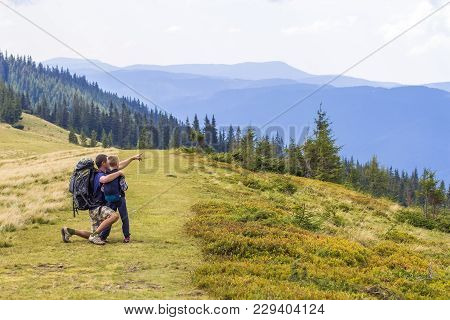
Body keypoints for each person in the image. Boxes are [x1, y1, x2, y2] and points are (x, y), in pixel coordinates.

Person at [61, 153, 142, 245]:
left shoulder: (103, 172)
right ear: (103, 163)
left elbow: (117, 165)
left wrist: (132, 158)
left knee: (95, 235)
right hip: (97, 207)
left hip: (93, 208)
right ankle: (94, 236)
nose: (109, 162)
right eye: (108, 160)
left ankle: (70, 231)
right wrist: (119, 173)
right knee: (114, 216)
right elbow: (104, 180)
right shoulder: (99, 174)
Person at [100, 155, 131, 243]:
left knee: (109, 218)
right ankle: (126, 236)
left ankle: (103, 236)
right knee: (124, 217)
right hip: (120, 199)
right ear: (117, 164)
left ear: (109, 165)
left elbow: (102, 189)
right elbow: (124, 187)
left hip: (109, 199)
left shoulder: (107, 174)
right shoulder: (119, 174)